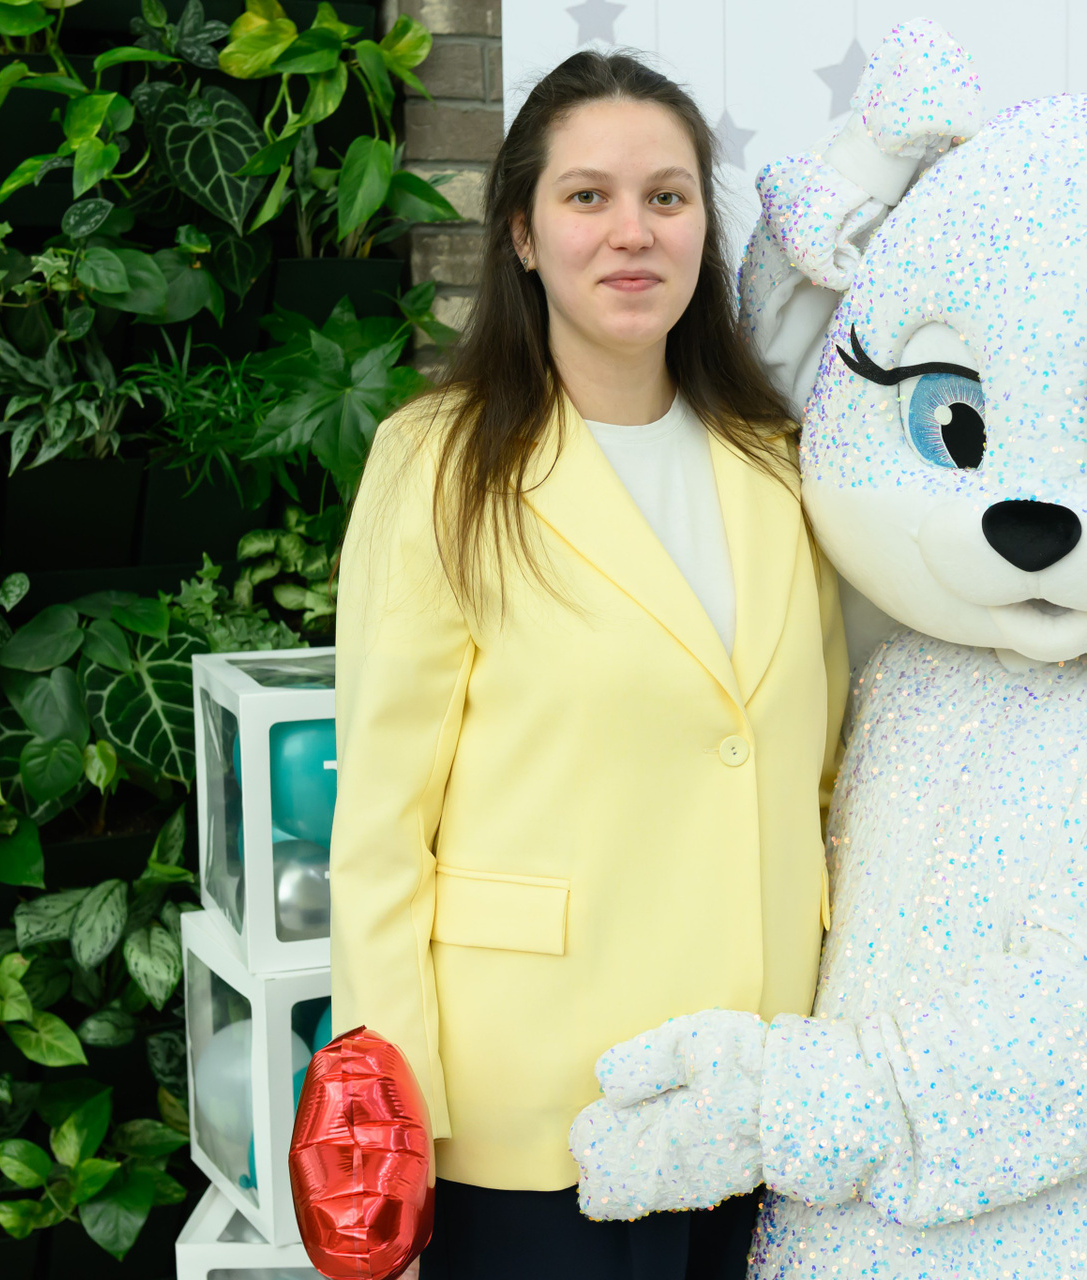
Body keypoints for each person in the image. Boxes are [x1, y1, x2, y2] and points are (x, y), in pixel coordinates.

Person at [329, 49, 847, 1280]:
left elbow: (819, 772)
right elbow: (382, 824)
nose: (633, 231)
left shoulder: (781, 462)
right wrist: (391, 1102)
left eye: (667, 196)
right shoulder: (439, 463)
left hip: (753, 1085)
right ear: (521, 232)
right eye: (587, 196)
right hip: (535, 1099)